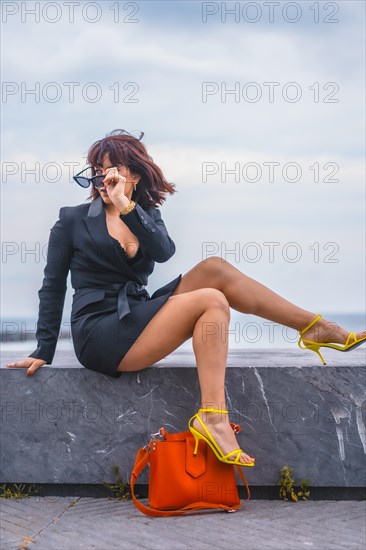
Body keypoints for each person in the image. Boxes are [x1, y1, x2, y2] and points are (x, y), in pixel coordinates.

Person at [6, 129, 366, 467]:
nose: (102, 181)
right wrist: (43, 349)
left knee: (215, 269)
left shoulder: (147, 216)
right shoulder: (73, 220)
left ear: (134, 174)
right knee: (211, 299)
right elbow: (52, 283)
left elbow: (163, 252)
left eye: (110, 171)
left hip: (136, 315)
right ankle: (213, 417)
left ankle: (315, 327)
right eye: (96, 173)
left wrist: (126, 207)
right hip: (99, 333)